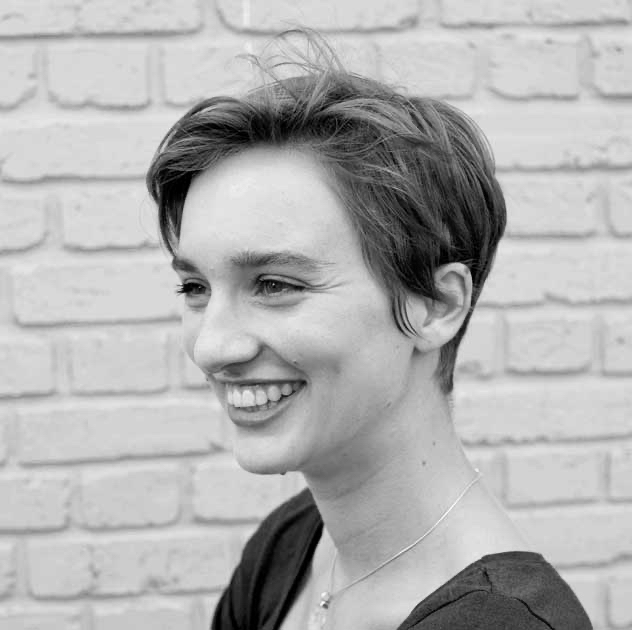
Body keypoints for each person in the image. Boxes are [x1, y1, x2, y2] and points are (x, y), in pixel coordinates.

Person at [146, 31, 592, 630]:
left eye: (274, 284)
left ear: (436, 304)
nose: (212, 347)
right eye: (195, 288)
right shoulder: (290, 545)